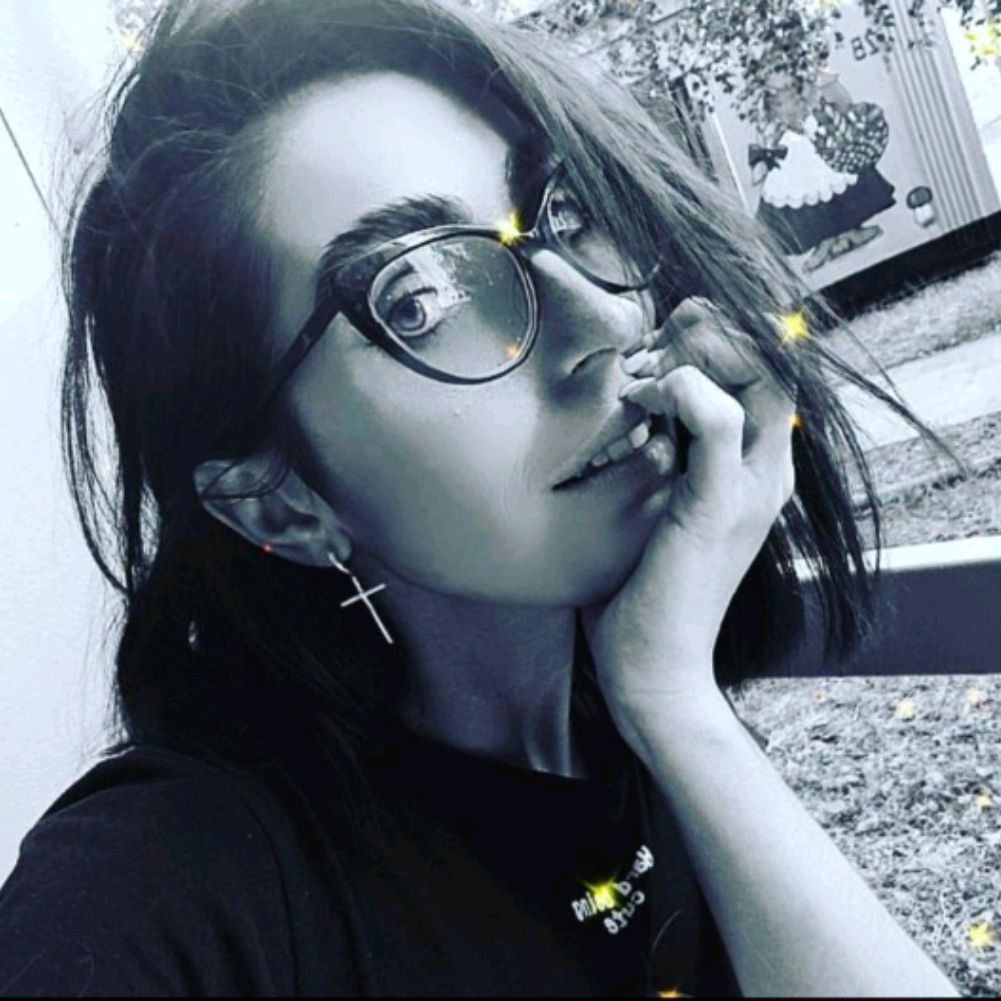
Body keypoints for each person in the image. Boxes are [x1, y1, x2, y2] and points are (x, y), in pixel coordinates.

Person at [0, 0, 964, 995]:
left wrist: (671, 701)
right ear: (279, 503)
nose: (600, 322)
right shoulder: (164, 891)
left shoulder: (631, 722)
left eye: (564, 214)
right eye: (422, 299)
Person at [752, 68, 896, 273]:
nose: (792, 99)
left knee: (839, 181)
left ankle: (850, 231)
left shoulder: (809, 94)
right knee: (806, 196)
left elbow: (837, 102)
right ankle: (824, 243)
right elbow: (765, 141)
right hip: (795, 154)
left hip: (821, 142)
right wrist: (763, 160)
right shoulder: (773, 116)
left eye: (792, 92)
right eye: (783, 99)